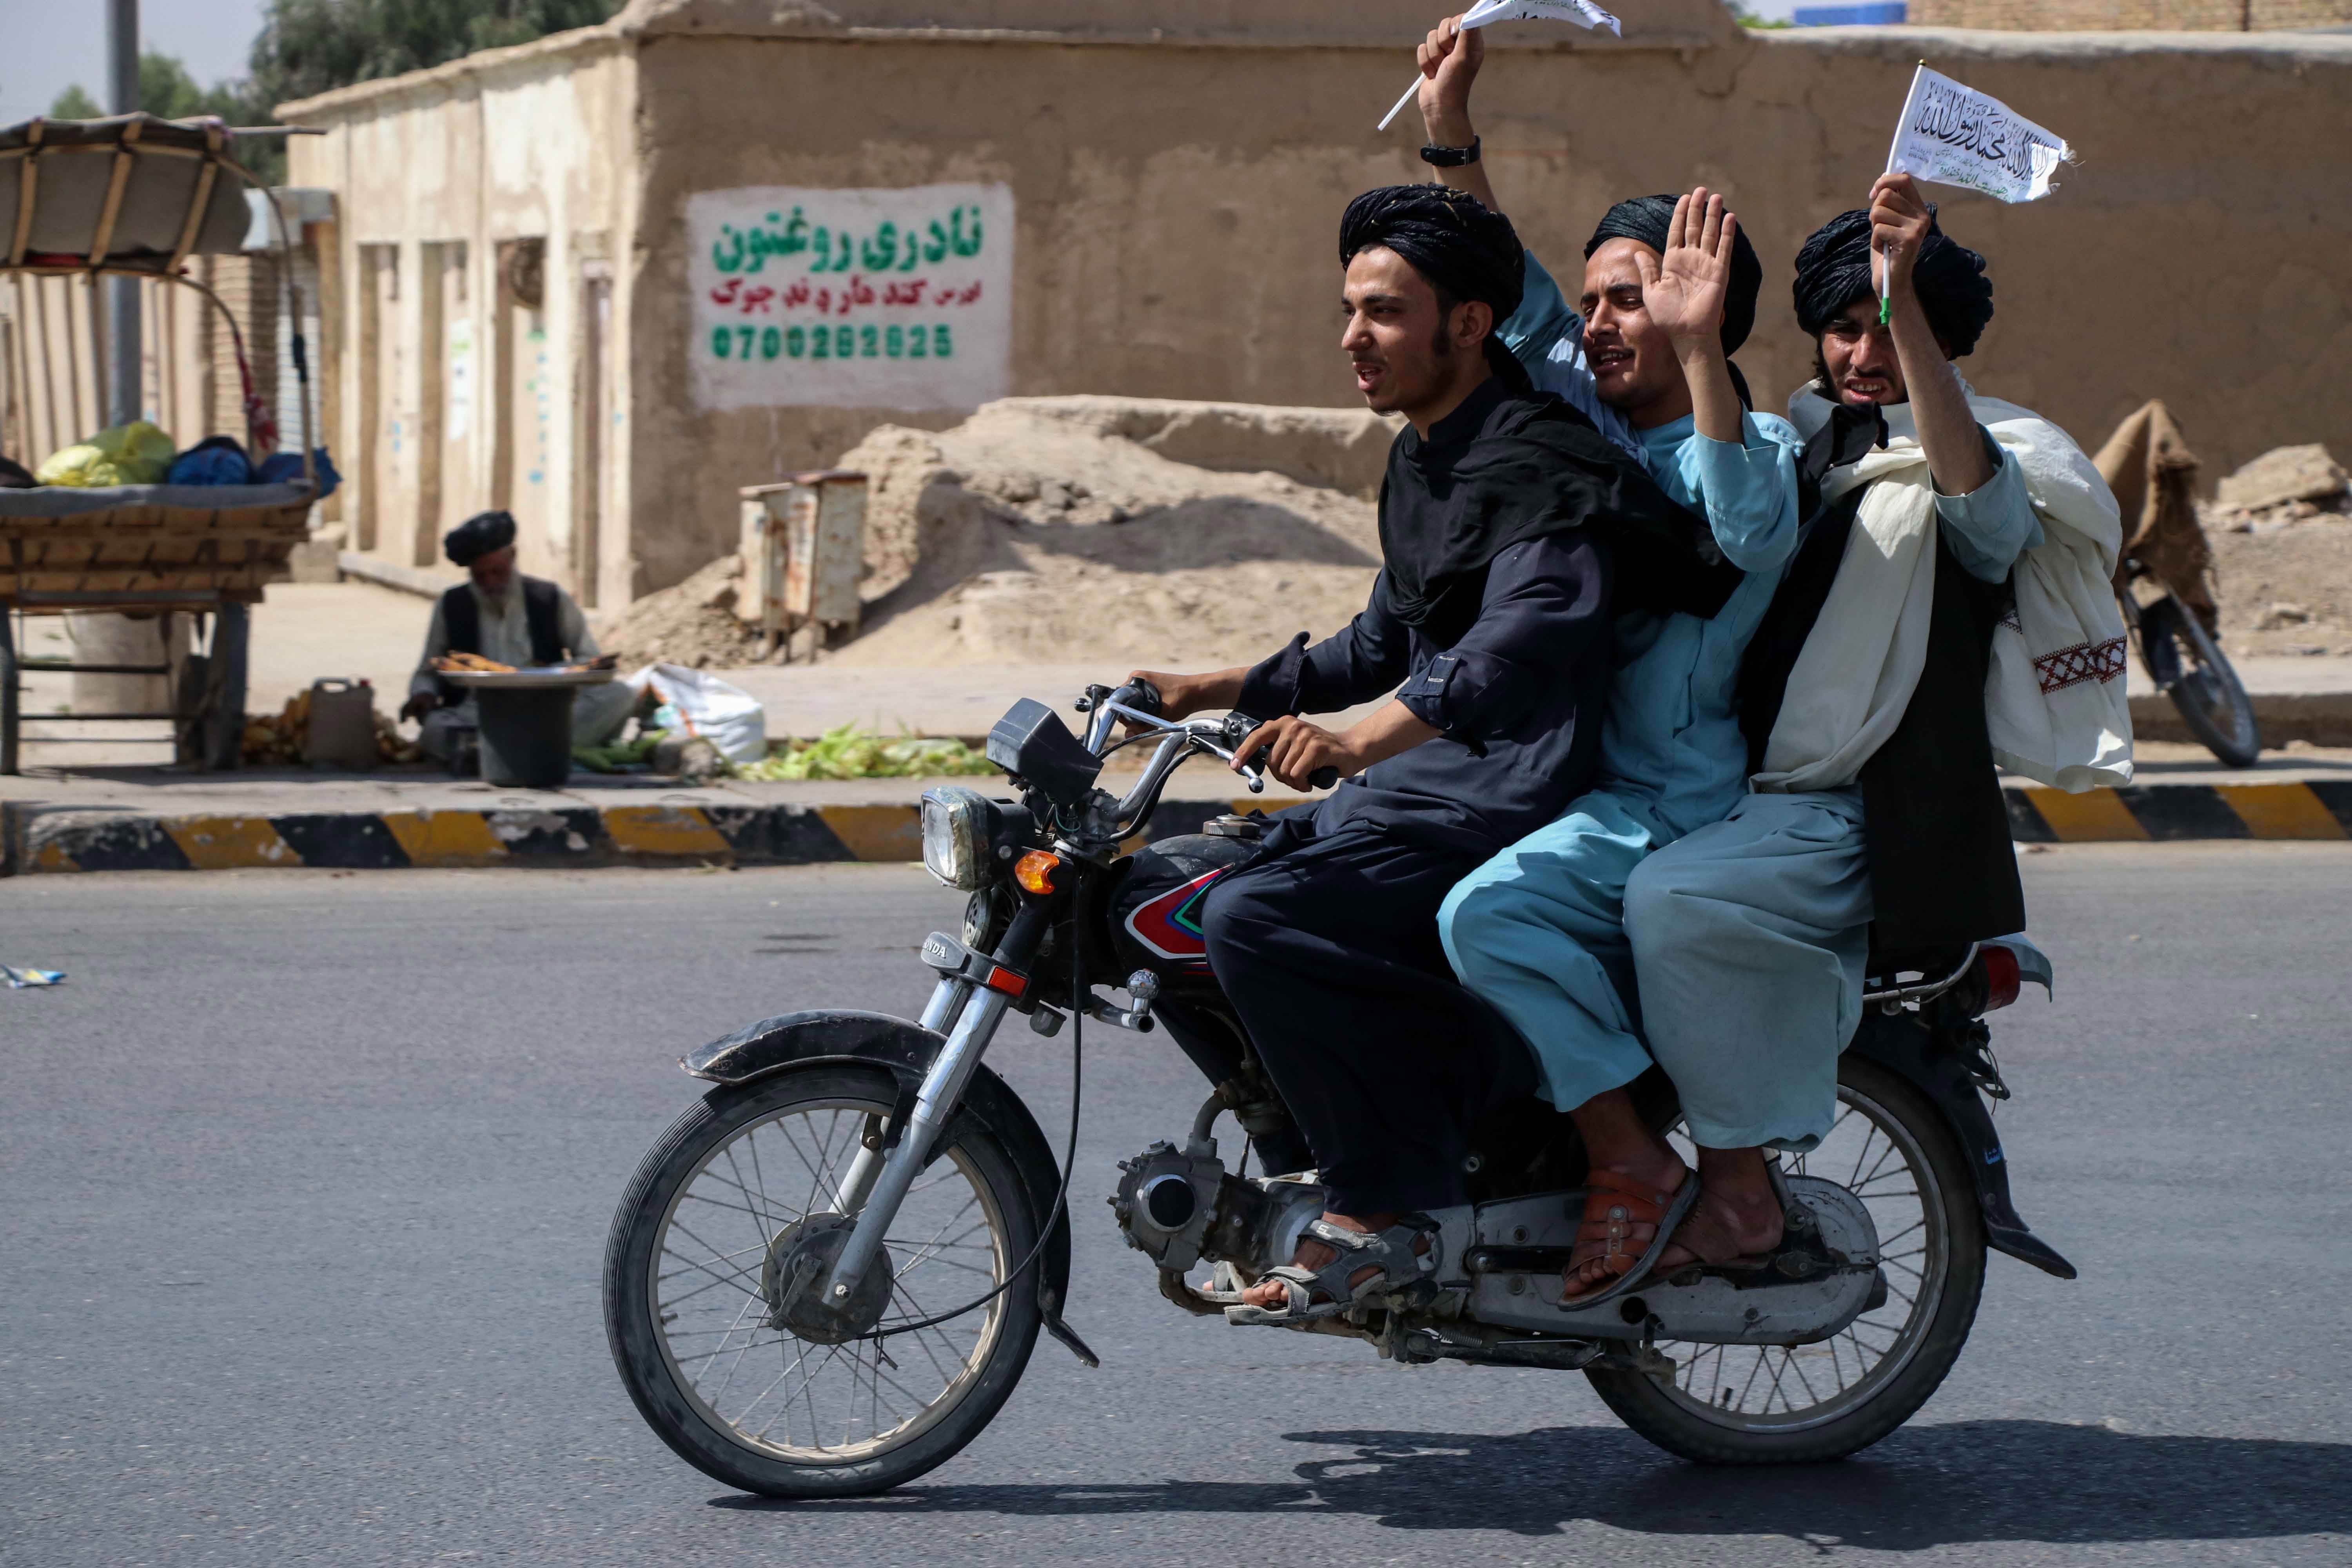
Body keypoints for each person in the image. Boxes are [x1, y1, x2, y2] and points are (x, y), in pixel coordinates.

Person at [1127, 183, 1739, 1324]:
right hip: (1426, 782)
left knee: (1252, 918)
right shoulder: (1426, 458)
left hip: (1505, 790)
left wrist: (1361, 738)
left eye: (1385, 313)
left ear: (1467, 324)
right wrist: (1206, 684)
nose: (1353, 337)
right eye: (1348, 310)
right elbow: (1382, 639)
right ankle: (1312, 1137)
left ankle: (1384, 1203)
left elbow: (1512, 647)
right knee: (1158, 890)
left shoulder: (1539, 462)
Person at [1582, 174, 2131, 1300]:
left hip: (1853, 815)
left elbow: (1981, 513)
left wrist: (1904, 299)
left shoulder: (1984, 457)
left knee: (1669, 905)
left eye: (1887, 330)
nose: (1862, 353)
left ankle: (1737, 1188)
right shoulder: (1799, 437)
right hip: (1737, 785)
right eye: (1845, 327)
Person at [1406, 14, 1809, 1299]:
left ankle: (1626, 1157)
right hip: (1567, 772)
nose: (1598, 322)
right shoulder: (1595, 422)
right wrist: (1449, 129)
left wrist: (1697, 352)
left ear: (1701, 314)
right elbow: (1508, 292)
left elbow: (1745, 536)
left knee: (1488, 915)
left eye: (1629, 298)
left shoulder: (1741, 452)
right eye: (1598, 302)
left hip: (1667, 801)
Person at [401, 510, 636, 773]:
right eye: (481, 576)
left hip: (546, 709)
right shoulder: (451, 605)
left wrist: (557, 672)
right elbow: (428, 671)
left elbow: (587, 658)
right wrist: (424, 694)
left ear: (512, 557)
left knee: (620, 695)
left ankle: (492, 752)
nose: (490, 583)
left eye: (498, 572)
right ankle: (536, 748)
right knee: (434, 730)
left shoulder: (550, 598)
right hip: (478, 713)